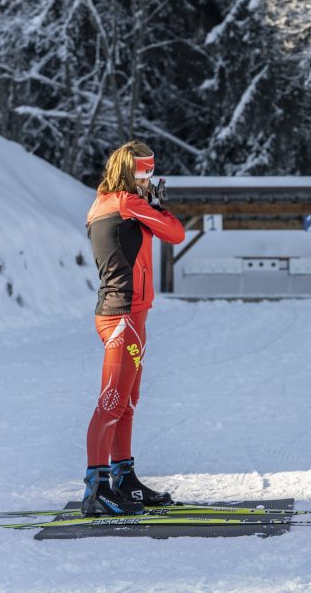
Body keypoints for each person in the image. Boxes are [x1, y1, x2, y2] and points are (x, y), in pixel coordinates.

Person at [81, 140, 185, 516]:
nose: (150, 178)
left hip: (127, 313)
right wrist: (156, 207)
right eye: (144, 171)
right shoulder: (127, 203)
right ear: (129, 171)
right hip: (123, 314)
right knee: (111, 403)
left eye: (151, 171)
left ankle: (123, 479)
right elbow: (175, 233)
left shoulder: (106, 202)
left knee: (125, 403)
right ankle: (96, 488)